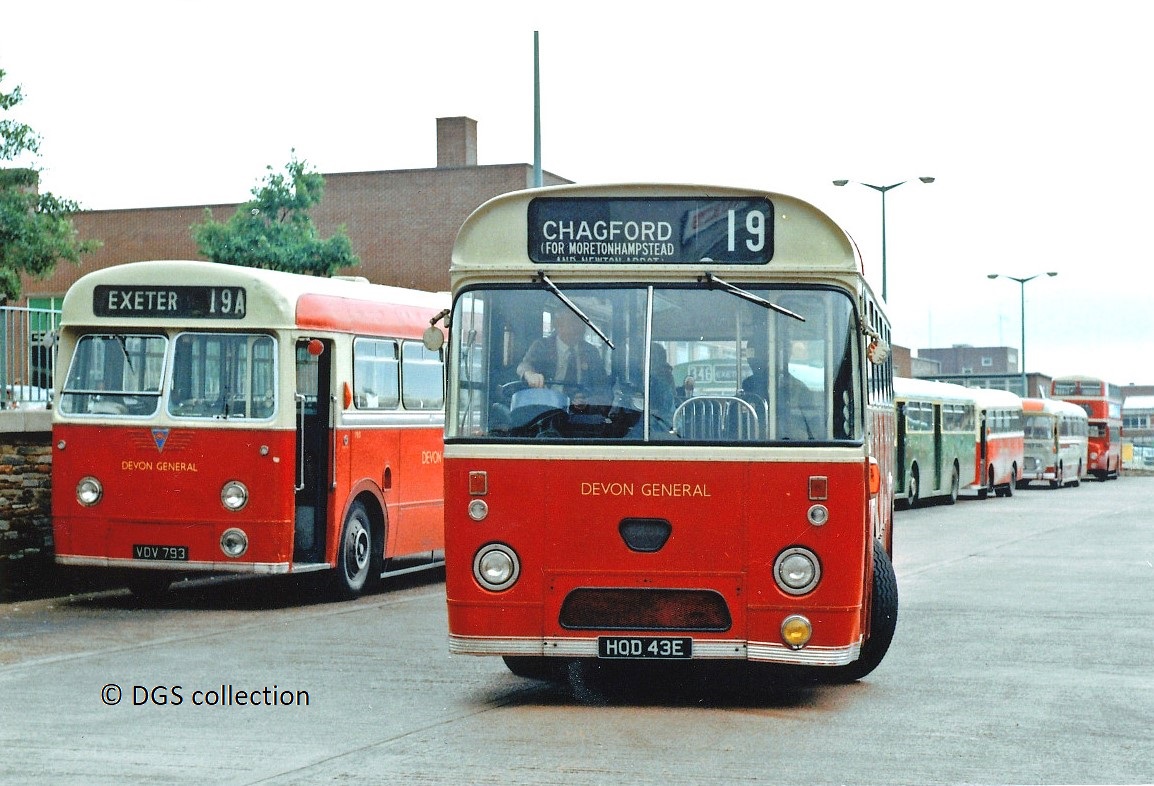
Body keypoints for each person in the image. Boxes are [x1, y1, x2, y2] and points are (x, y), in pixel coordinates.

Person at [517, 308, 610, 402]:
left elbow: (604, 390)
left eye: (582, 323)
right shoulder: (542, 346)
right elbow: (524, 365)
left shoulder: (591, 352)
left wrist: (587, 402)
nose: (578, 328)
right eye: (572, 322)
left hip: (579, 409)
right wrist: (530, 374)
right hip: (545, 404)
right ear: (558, 325)